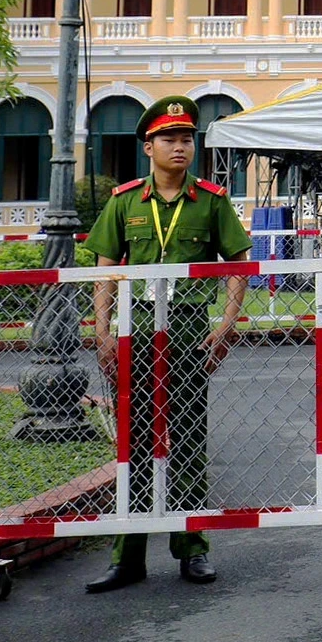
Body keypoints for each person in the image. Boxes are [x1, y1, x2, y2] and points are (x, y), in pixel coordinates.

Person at [85, 98, 252, 592]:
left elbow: (238, 263)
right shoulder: (125, 201)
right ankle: (127, 555)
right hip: (134, 333)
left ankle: (192, 549)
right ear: (148, 147)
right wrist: (101, 330)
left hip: (186, 332)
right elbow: (105, 270)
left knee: (187, 441)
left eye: (187, 139)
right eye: (169, 140)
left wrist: (225, 325)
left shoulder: (212, 201)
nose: (180, 147)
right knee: (132, 444)